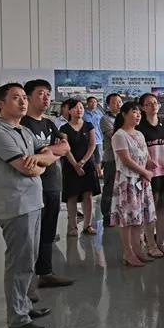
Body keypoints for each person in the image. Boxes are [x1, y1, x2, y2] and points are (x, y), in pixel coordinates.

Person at [0, 83, 66, 328]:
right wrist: (42, 162)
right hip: (16, 205)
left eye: (23, 97)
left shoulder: (24, 131)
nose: (22, 102)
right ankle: (17, 318)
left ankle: (24, 306)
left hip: (33, 201)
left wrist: (40, 159)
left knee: (29, 259)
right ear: (1, 104)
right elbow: (27, 168)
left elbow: (51, 156)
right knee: (18, 262)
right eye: (15, 98)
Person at [21, 80, 74, 292]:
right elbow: (28, 158)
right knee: (30, 235)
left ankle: (45, 273)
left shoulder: (49, 123)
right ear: (28, 97)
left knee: (48, 232)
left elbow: (65, 146)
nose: (46, 98)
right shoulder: (23, 124)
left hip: (53, 183)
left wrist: (46, 152)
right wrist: (53, 151)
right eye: (41, 93)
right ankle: (27, 284)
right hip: (33, 186)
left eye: (48, 94)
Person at [111, 101, 156, 267]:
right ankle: (128, 253)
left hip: (142, 181)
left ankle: (138, 250)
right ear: (124, 114)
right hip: (128, 182)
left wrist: (149, 166)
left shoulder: (140, 134)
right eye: (134, 112)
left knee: (139, 218)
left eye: (139, 113)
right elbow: (126, 160)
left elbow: (145, 155)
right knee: (127, 219)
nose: (138, 115)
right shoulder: (119, 135)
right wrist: (144, 172)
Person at [137, 93, 164, 257]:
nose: (153, 106)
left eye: (155, 103)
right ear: (142, 108)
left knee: (162, 209)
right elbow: (137, 152)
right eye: (149, 104)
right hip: (149, 175)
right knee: (149, 210)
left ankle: (160, 243)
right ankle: (151, 245)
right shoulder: (140, 128)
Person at [60, 99, 101, 237]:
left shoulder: (88, 125)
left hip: (87, 164)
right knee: (72, 196)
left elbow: (92, 145)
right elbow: (66, 149)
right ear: (69, 111)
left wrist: (82, 162)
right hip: (70, 165)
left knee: (87, 195)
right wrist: (75, 165)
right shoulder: (64, 128)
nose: (79, 110)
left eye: (81, 108)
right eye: (76, 108)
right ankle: (73, 226)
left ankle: (87, 225)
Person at [99, 93, 122, 226]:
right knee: (110, 188)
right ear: (108, 105)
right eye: (114, 102)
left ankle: (119, 214)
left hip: (125, 159)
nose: (118, 104)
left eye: (120, 101)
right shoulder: (105, 119)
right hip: (112, 158)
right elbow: (114, 136)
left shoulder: (125, 118)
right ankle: (107, 216)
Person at [83, 96, 104, 177]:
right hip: (87, 139)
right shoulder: (83, 114)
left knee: (99, 157)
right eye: (91, 102)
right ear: (87, 103)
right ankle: (91, 172)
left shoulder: (99, 114)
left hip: (98, 139)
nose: (93, 104)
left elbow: (101, 126)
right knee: (88, 156)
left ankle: (98, 172)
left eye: (95, 102)